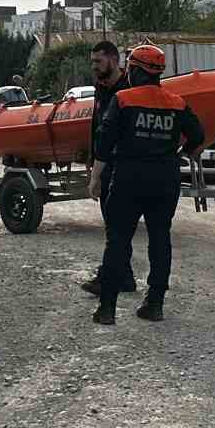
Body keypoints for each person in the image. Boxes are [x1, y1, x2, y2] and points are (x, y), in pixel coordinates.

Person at [90, 43, 204, 325]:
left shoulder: (123, 100)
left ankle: (107, 309)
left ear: (134, 70)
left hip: (128, 179)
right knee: (160, 239)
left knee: (117, 241)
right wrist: (181, 152)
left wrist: (95, 178)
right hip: (165, 181)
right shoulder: (176, 103)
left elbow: (104, 144)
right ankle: (155, 304)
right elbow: (198, 135)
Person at [81, 40, 134, 298]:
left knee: (116, 227)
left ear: (114, 60)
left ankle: (108, 277)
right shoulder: (101, 88)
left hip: (122, 166)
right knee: (113, 225)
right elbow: (97, 128)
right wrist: (93, 163)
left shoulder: (128, 89)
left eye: (98, 61)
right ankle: (125, 278)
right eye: (92, 62)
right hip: (105, 164)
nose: (94, 67)